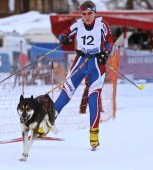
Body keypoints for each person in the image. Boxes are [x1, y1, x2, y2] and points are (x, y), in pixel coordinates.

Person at [38, 1, 114, 150]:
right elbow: (63, 34)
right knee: (65, 94)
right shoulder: (78, 24)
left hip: (97, 64)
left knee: (93, 99)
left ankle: (94, 135)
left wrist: (106, 52)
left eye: (90, 13)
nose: (87, 16)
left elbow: (110, 41)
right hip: (80, 61)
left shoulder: (101, 24)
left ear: (95, 13)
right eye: (84, 14)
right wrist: (64, 39)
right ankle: (46, 125)